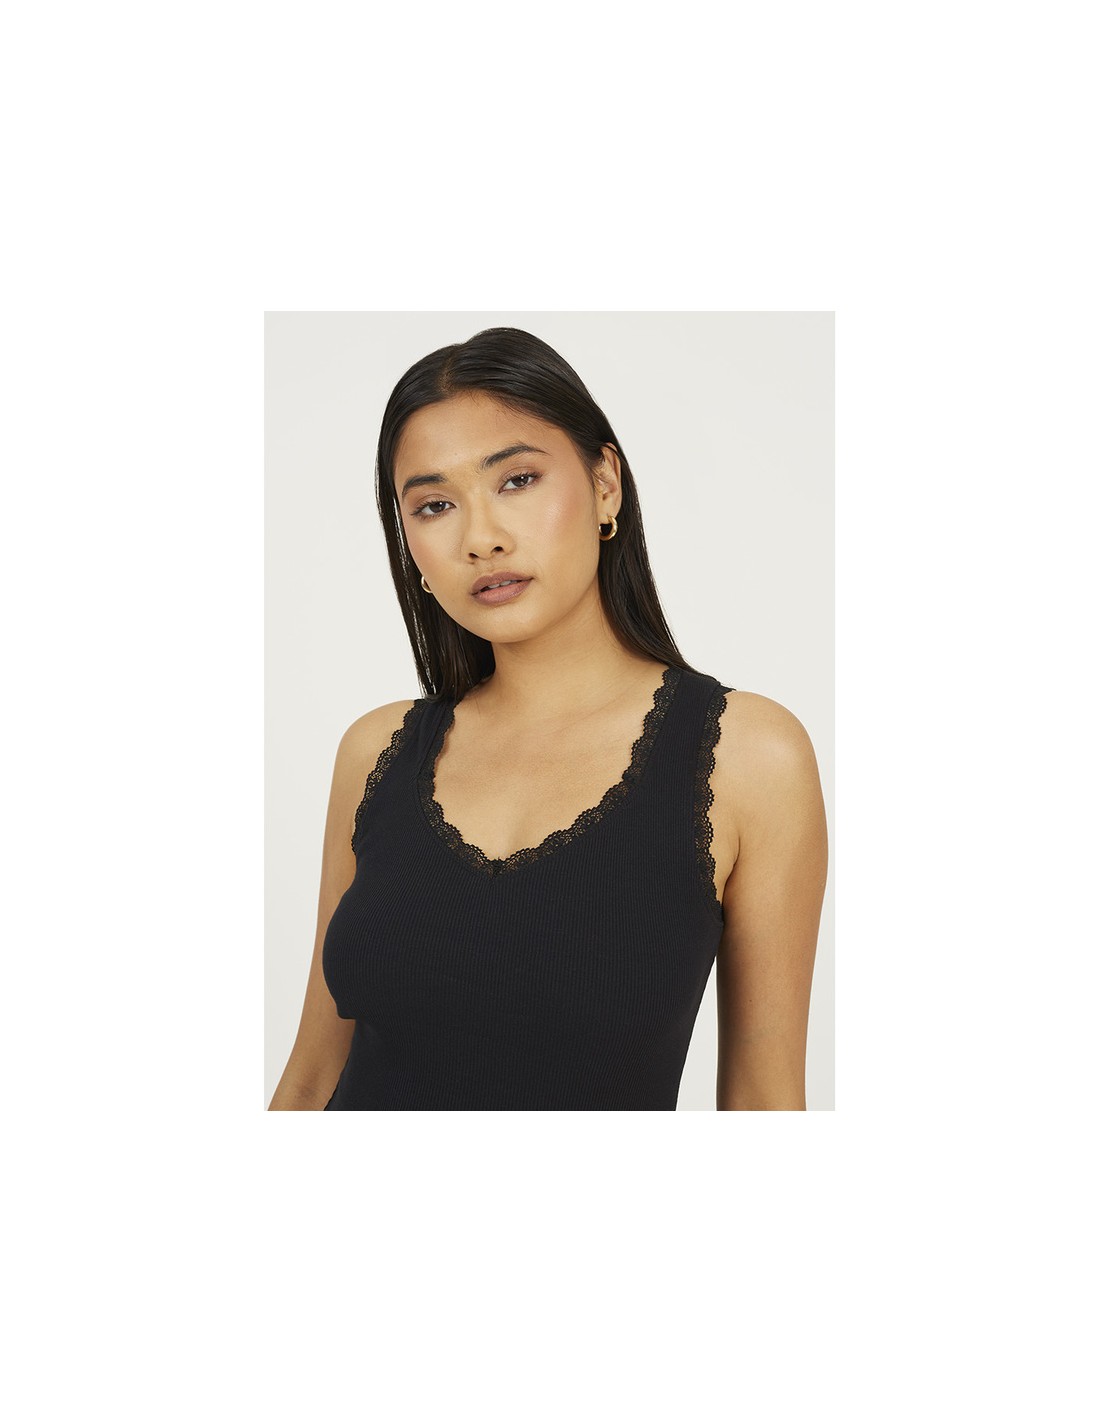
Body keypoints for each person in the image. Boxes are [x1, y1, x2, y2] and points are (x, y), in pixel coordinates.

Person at [268, 326, 828, 1111]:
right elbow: (309, 1078)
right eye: (434, 505)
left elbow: (765, 1101)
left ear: (606, 485)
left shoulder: (748, 758)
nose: (481, 538)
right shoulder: (376, 753)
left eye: (518, 480)